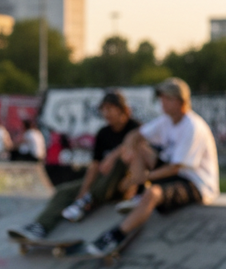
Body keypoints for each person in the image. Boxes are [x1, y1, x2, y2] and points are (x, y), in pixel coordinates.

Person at [86, 78, 218, 256]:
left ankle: (115, 235)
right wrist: (129, 150)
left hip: (196, 183)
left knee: (153, 193)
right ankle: (139, 195)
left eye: (166, 99)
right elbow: (134, 135)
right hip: (174, 172)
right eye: (161, 98)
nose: (161, 103)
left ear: (180, 102)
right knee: (140, 147)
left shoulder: (193, 127)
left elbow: (174, 169)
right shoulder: (166, 121)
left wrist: (141, 178)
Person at [9, 91, 139, 241]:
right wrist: (83, 191)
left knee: (121, 160)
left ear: (122, 109)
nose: (106, 113)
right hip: (102, 185)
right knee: (63, 191)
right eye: (103, 110)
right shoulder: (103, 133)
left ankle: (88, 200)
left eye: (110, 109)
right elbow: (95, 166)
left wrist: (113, 156)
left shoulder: (135, 128)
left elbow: (135, 147)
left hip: (125, 186)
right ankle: (41, 226)